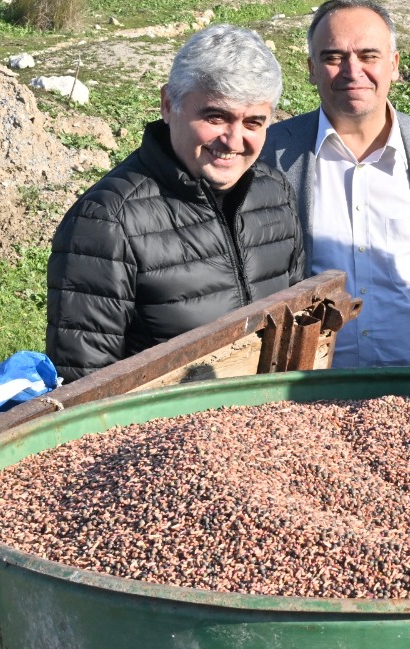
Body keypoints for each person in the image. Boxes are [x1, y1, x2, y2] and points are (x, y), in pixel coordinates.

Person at [45, 25, 303, 382]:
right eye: (216, 117)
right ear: (169, 104)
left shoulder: (274, 193)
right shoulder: (107, 221)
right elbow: (84, 386)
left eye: (253, 122)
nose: (233, 140)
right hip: (162, 433)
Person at [262, 0, 410, 367]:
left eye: (368, 56)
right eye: (333, 57)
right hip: (307, 394)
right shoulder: (271, 156)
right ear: (311, 69)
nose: (352, 70)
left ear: (394, 66)